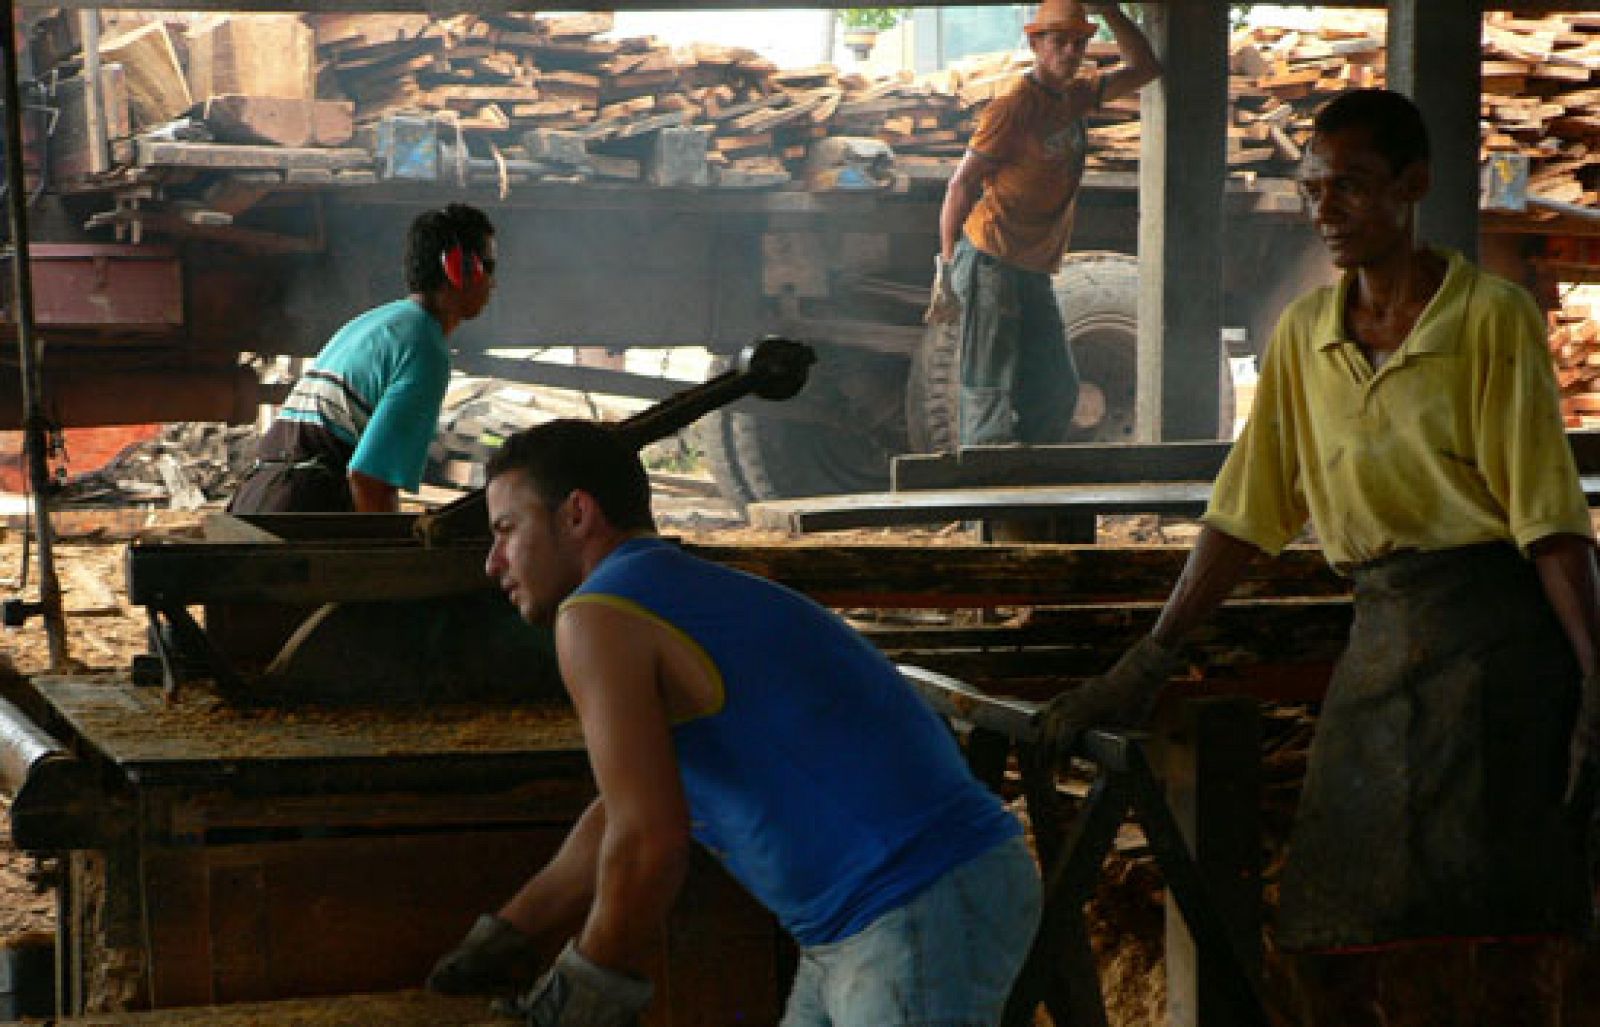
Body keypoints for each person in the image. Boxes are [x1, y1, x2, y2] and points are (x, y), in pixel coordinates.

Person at [1038, 88, 1599, 1025]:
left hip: (1498, 658)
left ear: (1414, 186)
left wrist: (1595, 676)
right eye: (1314, 188)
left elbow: (1548, 519)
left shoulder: (1491, 319)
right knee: (1325, 940)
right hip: (1380, 645)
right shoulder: (1306, 336)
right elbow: (1244, 513)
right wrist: (1149, 659)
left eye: (1353, 185)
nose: (1326, 208)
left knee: (1498, 940)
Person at [427, 419, 1040, 1026]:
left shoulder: (599, 614)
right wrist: (510, 930)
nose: (493, 563)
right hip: (882, 911)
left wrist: (585, 987)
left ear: (577, 514)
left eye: (507, 530)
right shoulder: (667, 589)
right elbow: (622, 813)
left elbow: (649, 841)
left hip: (913, 900)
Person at [926, 0, 1159, 446]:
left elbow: (1145, 68)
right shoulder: (1013, 108)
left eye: (1079, 43)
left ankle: (1023, 475)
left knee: (1056, 391)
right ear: (1035, 44)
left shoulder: (1076, 96)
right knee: (989, 389)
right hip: (991, 258)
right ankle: (988, 477)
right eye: (1059, 41)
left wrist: (1111, 11)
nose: (1070, 51)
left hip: (1032, 266)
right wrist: (949, 264)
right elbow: (960, 185)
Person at [230, 203, 496, 514]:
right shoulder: (425, 348)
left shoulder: (379, 322)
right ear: (459, 269)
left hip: (258, 498)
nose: (494, 283)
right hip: (300, 510)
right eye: (488, 267)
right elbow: (370, 482)